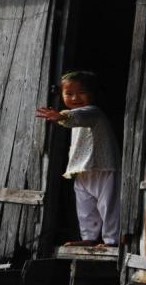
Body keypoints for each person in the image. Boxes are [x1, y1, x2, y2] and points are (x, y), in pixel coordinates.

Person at [35, 71, 119, 247]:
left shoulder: (94, 112)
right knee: (85, 208)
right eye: (69, 93)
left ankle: (112, 240)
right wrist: (63, 118)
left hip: (104, 168)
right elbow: (75, 119)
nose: (75, 97)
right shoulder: (73, 117)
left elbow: (80, 116)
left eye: (82, 92)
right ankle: (88, 237)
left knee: (108, 205)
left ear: (93, 93)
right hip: (82, 170)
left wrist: (62, 116)